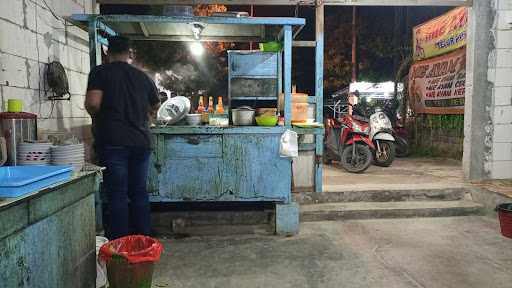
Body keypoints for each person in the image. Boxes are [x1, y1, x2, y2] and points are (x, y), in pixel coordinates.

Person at [85, 36, 160, 239]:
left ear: (108, 52)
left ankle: (121, 243)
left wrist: (96, 119)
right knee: (138, 192)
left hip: (113, 141)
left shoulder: (100, 72)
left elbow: (93, 103)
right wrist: (145, 116)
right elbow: (155, 104)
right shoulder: (142, 77)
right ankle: (143, 238)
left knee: (117, 194)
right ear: (129, 53)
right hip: (141, 142)